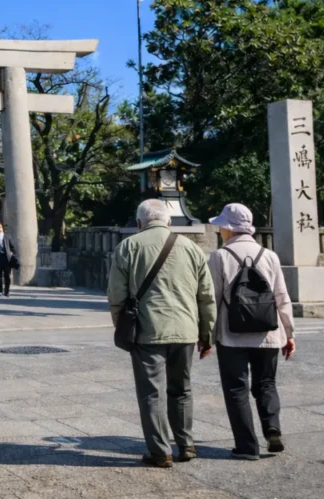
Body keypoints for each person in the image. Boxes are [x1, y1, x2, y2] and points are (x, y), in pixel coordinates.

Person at [108, 199, 216, 468]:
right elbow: (206, 296)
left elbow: (116, 296)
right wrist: (207, 334)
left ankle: (160, 451)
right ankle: (186, 444)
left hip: (147, 331)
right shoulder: (192, 248)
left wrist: (122, 327)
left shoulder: (129, 247)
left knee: (151, 393)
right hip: (186, 330)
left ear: (139, 224)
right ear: (169, 222)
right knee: (182, 389)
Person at [208, 203, 296, 461]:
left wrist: (207, 336)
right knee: (266, 383)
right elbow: (282, 297)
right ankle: (272, 428)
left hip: (231, 334)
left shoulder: (219, 257)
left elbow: (211, 299)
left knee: (236, 389)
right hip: (268, 332)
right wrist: (288, 333)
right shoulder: (269, 256)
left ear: (228, 228)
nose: (220, 230)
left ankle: (246, 447)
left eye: (221, 226)